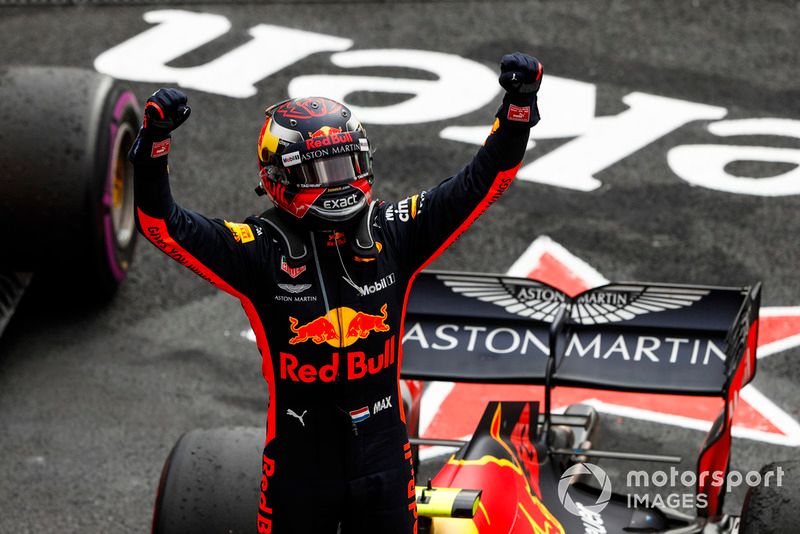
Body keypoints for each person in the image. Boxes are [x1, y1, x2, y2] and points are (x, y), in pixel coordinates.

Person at [130, 52, 542, 534]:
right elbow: (161, 224)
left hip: (386, 462)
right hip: (299, 472)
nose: (338, 183)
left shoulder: (396, 232)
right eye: (320, 172)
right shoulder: (256, 252)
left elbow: (482, 181)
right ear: (279, 178)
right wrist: (154, 146)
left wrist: (518, 108)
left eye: (346, 165)